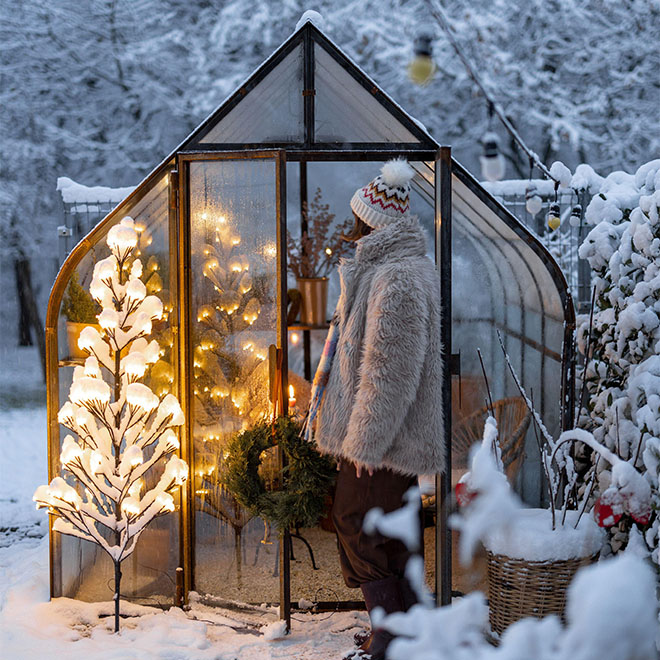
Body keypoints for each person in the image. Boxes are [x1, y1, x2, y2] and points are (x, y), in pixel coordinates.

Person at [313, 159, 444, 660]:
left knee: (354, 519)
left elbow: (389, 370)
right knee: (387, 529)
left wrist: (365, 441)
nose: (351, 229)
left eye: (358, 220)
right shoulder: (383, 271)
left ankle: (390, 634)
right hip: (383, 435)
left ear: (374, 224)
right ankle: (406, 631)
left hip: (386, 438)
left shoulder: (399, 277)